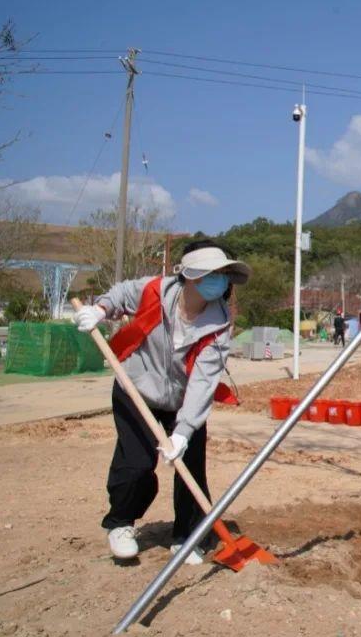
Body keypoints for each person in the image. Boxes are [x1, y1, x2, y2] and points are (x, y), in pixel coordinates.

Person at [73, 239, 250, 563]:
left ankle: (189, 537)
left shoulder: (219, 325)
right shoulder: (154, 291)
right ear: (191, 276)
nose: (220, 282)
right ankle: (121, 523)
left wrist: (183, 432)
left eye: (223, 275)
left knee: (190, 466)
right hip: (135, 388)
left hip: (183, 400)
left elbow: (203, 382)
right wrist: (99, 310)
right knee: (136, 462)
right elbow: (121, 295)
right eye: (213, 274)